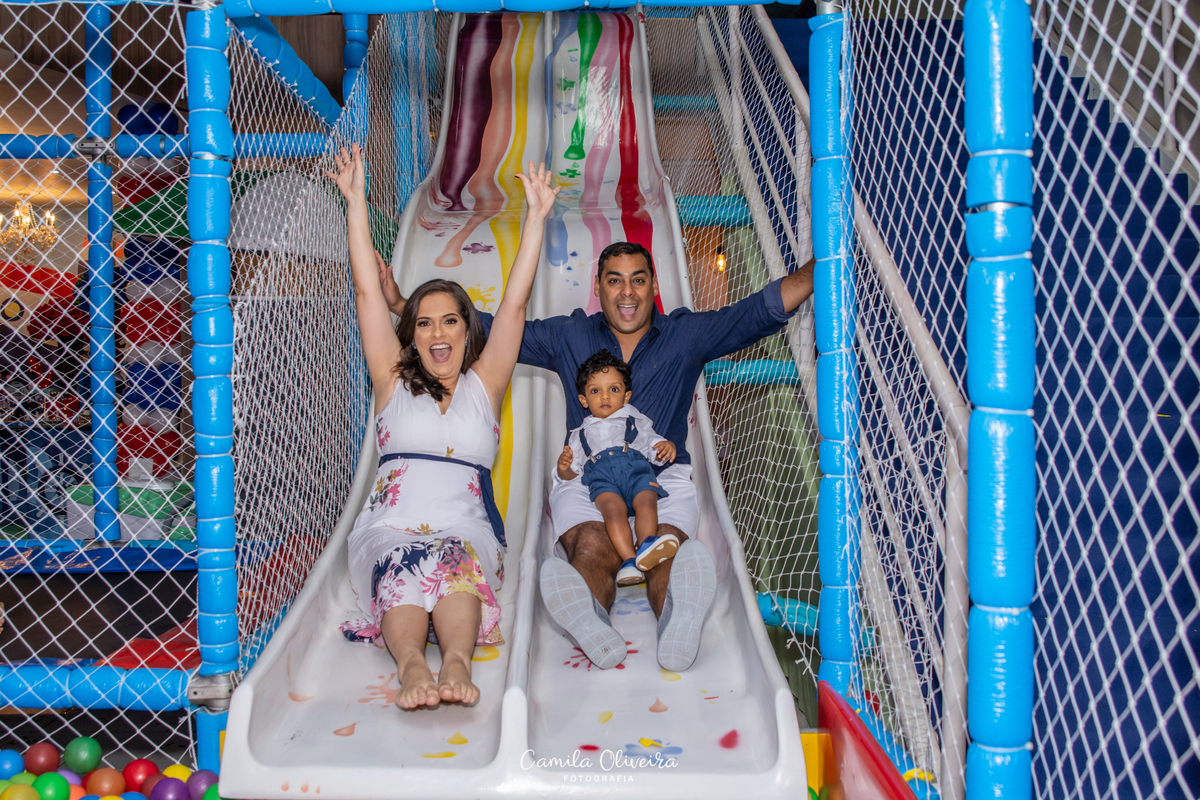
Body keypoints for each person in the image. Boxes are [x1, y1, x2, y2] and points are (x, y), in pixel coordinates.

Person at [381, 240, 815, 672]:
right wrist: (403, 305)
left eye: (638, 280)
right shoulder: (570, 335)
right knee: (590, 544)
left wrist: (822, 266)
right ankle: (588, 617)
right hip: (589, 479)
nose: (627, 292)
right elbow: (496, 329)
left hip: (660, 477)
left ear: (654, 285)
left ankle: (677, 619)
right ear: (598, 286)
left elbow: (756, 313)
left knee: (665, 547)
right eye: (615, 281)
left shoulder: (685, 335)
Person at [330, 144, 560, 710]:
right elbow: (367, 293)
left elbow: (514, 307)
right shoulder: (392, 380)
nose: (438, 333)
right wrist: (355, 202)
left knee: (455, 560)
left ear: (466, 331)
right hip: (390, 525)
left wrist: (536, 218)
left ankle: (456, 660)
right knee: (399, 562)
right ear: (412, 335)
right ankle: (411, 665)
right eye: (425, 323)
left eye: (450, 321)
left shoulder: (486, 384)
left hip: (464, 526)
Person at [557, 349, 678, 588]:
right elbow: (572, 475)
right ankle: (629, 561)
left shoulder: (635, 420)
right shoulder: (578, 435)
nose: (605, 397)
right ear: (583, 400)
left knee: (646, 500)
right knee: (613, 511)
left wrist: (665, 446)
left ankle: (647, 543)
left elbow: (653, 444)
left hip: (636, 471)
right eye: (595, 391)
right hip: (602, 478)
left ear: (626, 396)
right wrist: (564, 468)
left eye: (613, 389)